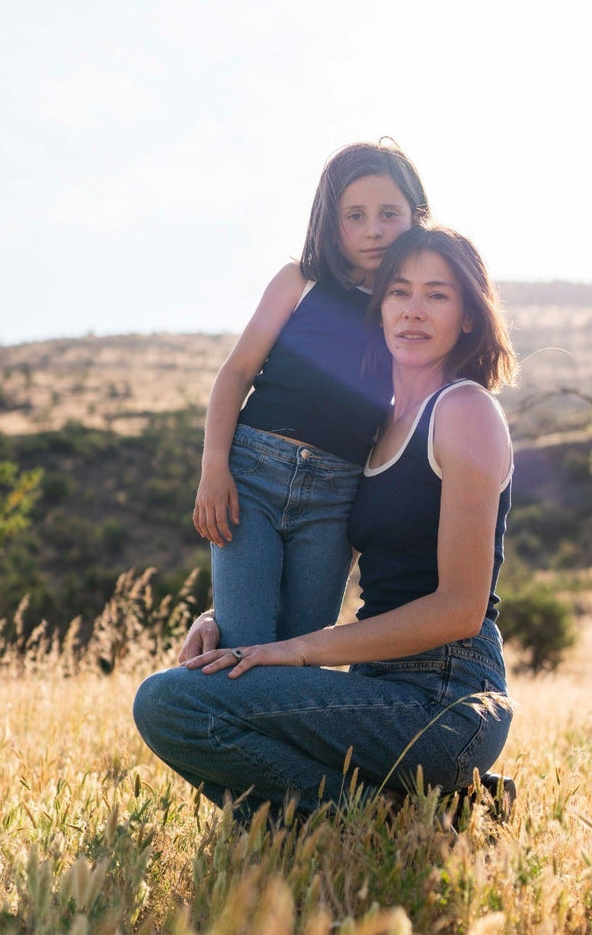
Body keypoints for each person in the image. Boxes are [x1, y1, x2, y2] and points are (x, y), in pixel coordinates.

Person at [134, 225, 519, 824]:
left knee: (168, 702)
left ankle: (376, 821)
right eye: (398, 292)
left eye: (437, 295)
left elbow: (460, 609)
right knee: (187, 693)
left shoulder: (464, 411)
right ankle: (417, 813)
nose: (413, 311)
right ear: (379, 307)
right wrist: (224, 618)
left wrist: (296, 652)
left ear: (469, 316)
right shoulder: (379, 428)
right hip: (373, 692)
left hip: (444, 699)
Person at [193, 140, 429, 650]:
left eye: (389, 213)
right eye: (356, 215)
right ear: (331, 220)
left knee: (299, 652)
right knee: (242, 646)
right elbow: (234, 375)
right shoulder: (299, 281)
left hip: (335, 498)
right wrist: (214, 467)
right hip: (250, 479)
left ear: (416, 216)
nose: (374, 229)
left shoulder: (410, 308)